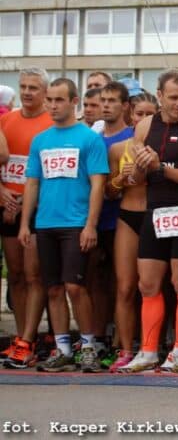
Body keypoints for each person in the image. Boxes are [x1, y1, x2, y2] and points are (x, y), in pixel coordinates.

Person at [118, 69, 178, 373]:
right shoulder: (144, 126)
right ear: (159, 96)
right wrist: (139, 171)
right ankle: (147, 350)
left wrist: (160, 168)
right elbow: (136, 175)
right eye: (174, 97)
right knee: (147, 284)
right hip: (154, 210)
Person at [19, 77, 109, 372]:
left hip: (76, 224)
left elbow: (98, 185)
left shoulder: (89, 138)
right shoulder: (41, 140)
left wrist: (90, 225)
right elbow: (32, 184)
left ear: (74, 102)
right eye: (50, 100)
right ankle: (62, 348)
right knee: (53, 288)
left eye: (59, 100)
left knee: (75, 286)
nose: (53, 106)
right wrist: (25, 225)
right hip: (45, 224)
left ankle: (88, 346)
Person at [0, 68, 53, 369]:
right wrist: (3, 194)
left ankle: (30, 338)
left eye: (34, 87)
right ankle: (20, 337)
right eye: (23, 86)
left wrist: (22, 201)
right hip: (6, 204)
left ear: (45, 91)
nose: (28, 92)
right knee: (15, 275)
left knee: (35, 275)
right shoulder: (6, 120)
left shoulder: (50, 124)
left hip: (37, 207)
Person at [104, 92, 157, 371]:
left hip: (155, 216)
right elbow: (109, 193)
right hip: (127, 216)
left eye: (150, 114)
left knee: (156, 288)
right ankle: (125, 349)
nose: (144, 119)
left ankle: (156, 345)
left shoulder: (164, 147)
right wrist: (121, 179)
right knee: (125, 286)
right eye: (140, 114)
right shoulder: (117, 149)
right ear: (130, 115)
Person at [87, 80, 134, 366]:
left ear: (125, 105)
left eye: (112, 100)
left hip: (123, 218)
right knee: (95, 282)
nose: (105, 105)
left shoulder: (133, 136)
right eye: (102, 100)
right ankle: (99, 338)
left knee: (123, 283)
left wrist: (116, 182)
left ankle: (122, 340)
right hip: (94, 217)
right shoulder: (92, 138)